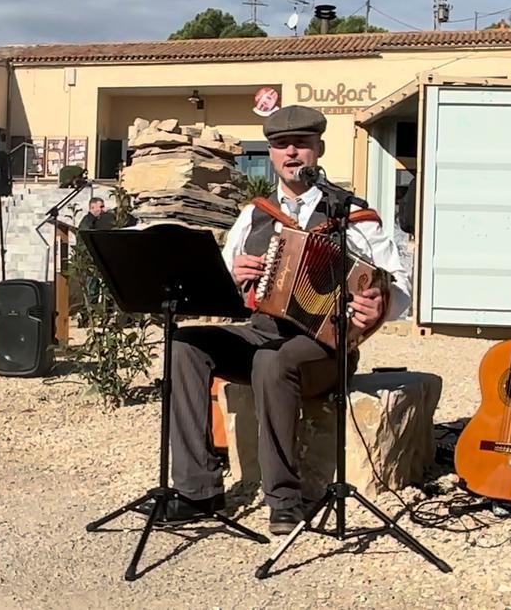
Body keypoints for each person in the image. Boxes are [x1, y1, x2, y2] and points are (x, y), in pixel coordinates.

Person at [151, 106, 410, 535]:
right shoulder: (255, 214)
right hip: (261, 332)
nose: (291, 153)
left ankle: (285, 500)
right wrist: (235, 276)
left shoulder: (350, 214)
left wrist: (381, 304)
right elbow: (220, 282)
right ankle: (198, 491)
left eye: (301, 144)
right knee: (184, 346)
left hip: (325, 346)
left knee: (272, 362)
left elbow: (397, 285)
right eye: (281, 145)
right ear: (270, 153)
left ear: (318, 149)